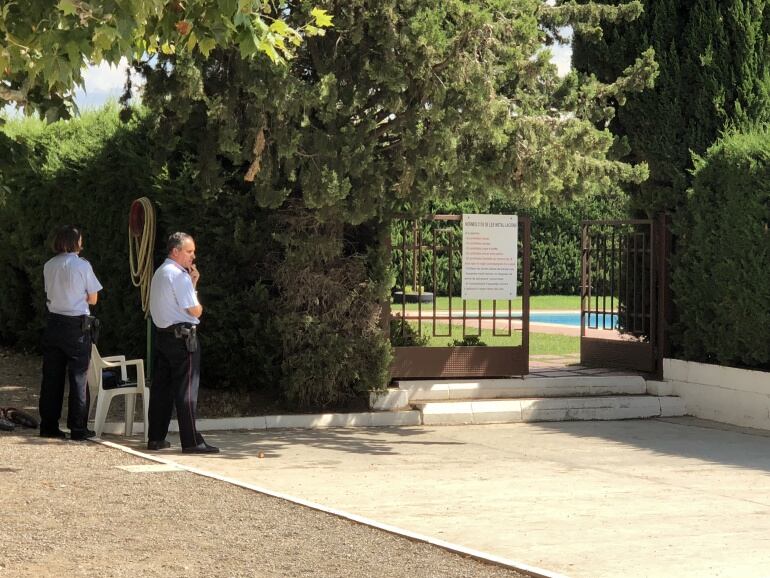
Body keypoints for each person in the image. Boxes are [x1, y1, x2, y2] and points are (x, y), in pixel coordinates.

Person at [147, 232, 218, 453]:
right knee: (187, 390)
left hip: (163, 337)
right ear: (175, 251)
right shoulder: (178, 275)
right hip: (182, 339)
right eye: (189, 251)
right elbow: (194, 310)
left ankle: (156, 438)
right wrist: (192, 284)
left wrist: (193, 281)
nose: (193, 256)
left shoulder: (161, 272)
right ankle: (191, 441)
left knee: (161, 390)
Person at [39, 225, 102, 440]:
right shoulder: (82, 265)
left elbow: (49, 294)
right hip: (76, 325)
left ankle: (48, 425)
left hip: (54, 322)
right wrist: (78, 297)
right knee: (78, 377)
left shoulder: (49, 265)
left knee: (51, 378)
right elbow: (93, 298)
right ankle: (78, 427)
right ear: (75, 242)